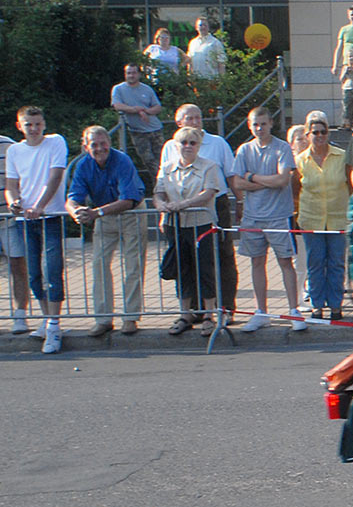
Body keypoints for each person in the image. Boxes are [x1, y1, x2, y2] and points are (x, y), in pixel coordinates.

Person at [63, 125, 144, 337]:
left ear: (110, 143)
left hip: (130, 212)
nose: (99, 148)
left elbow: (128, 200)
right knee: (99, 264)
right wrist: (75, 212)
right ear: (85, 146)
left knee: (133, 264)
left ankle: (131, 317)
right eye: (94, 145)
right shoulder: (83, 165)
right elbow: (72, 198)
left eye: (103, 143)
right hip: (102, 214)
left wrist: (95, 213)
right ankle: (103, 318)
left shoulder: (122, 160)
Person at [230, 107, 306, 333]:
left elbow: (283, 179)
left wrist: (252, 177)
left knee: (285, 262)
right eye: (255, 124)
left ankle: (294, 310)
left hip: (278, 216)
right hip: (253, 217)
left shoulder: (282, 148)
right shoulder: (244, 150)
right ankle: (261, 311)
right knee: (256, 262)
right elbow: (237, 183)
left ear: (270, 123)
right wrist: (265, 182)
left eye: (263, 124)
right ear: (249, 126)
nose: (259, 128)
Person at [5, 106, 67, 351]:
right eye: (28, 125)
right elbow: (11, 185)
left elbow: (55, 177)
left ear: (44, 124)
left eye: (37, 124)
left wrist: (40, 206)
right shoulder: (15, 151)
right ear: (20, 126)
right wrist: (14, 202)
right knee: (33, 273)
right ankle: (45, 317)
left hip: (50, 215)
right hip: (25, 219)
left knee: (52, 270)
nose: (33, 129)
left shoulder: (55, 142)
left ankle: (54, 324)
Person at [155, 127, 227, 336]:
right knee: (181, 268)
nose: (187, 146)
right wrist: (160, 205)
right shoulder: (167, 167)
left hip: (201, 224)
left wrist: (183, 204)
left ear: (198, 146)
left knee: (204, 267)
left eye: (192, 143)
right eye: (183, 142)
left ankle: (208, 314)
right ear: (175, 145)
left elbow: (208, 193)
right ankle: (185, 313)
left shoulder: (209, 166)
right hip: (176, 225)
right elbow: (158, 192)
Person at [294, 112, 350, 320]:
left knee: (336, 263)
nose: (319, 136)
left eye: (323, 131)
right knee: (315, 263)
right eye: (314, 132)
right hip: (311, 219)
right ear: (307, 135)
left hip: (337, 218)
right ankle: (317, 305)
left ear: (328, 133)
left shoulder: (342, 156)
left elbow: (350, 185)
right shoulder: (300, 161)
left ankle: (336, 305)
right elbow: (294, 189)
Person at [110, 63, 165, 181]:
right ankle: (160, 182)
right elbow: (117, 106)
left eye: (134, 73)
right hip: (138, 131)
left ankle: (163, 185)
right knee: (148, 160)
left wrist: (145, 110)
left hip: (155, 129)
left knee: (162, 160)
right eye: (128, 73)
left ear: (139, 74)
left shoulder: (147, 89)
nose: (131, 75)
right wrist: (136, 110)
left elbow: (157, 107)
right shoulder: (118, 89)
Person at [187, 16, 227, 80]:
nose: (203, 27)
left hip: (212, 80)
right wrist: (189, 77)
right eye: (200, 25)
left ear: (208, 27)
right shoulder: (192, 43)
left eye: (205, 25)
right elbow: (189, 62)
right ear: (196, 28)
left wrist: (222, 80)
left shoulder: (215, 42)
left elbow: (221, 63)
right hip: (196, 80)